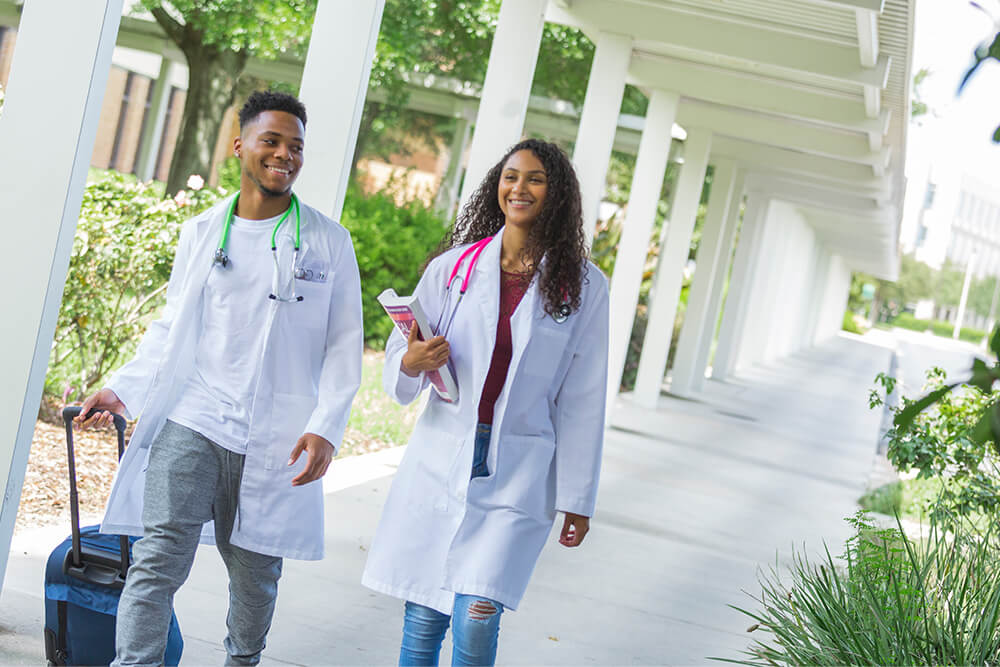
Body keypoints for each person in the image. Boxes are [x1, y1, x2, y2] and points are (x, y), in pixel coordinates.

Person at [75, 90, 363, 666]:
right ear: (241, 147)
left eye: (296, 147)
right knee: (155, 562)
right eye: (272, 141)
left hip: (275, 436)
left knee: (255, 580)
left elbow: (343, 347)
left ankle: (241, 660)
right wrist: (123, 386)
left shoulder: (329, 242)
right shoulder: (203, 231)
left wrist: (326, 427)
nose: (285, 155)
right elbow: (172, 325)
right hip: (194, 418)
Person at [361, 139, 609, 666]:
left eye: (536, 178)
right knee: (424, 616)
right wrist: (413, 361)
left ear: (558, 193)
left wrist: (578, 498)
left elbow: (583, 398)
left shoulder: (586, 288)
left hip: (520, 466)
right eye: (511, 176)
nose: (519, 188)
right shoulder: (453, 269)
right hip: (444, 450)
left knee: (476, 617)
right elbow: (401, 353)